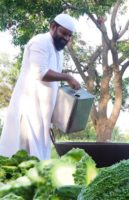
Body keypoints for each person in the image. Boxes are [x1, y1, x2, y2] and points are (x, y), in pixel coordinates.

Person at [0, 13, 81, 160]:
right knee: (21, 156)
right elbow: (40, 73)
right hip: (28, 109)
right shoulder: (40, 42)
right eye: (64, 33)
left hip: (43, 116)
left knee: (39, 159)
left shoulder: (59, 52)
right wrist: (68, 77)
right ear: (53, 27)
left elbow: (53, 84)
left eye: (69, 36)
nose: (66, 38)